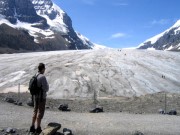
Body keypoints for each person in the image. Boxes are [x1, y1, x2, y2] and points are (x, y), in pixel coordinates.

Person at [30, 63, 49, 134]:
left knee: (35, 110)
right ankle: (38, 127)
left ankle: (32, 126)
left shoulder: (35, 75)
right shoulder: (42, 77)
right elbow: (46, 88)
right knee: (40, 111)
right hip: (41, 97)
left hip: (35, 96)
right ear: (43, 69)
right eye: (44, 69)